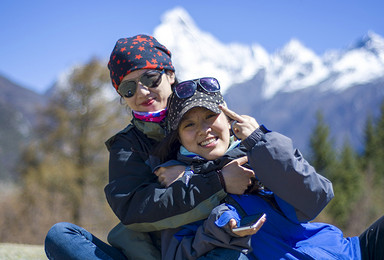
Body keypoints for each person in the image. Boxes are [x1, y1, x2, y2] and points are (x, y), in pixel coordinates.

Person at [45, 34, 254, 260]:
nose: (142, 92)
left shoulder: (204, 107)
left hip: (206, 248)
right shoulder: (126, 145)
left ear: (170, 74)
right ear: (122, 96)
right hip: (146, 255)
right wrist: (214, 180)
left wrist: (256, 140)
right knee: (61, 235)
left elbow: (249, 168)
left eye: (150, 78)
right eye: (128, 88)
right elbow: (134, 211)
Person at [154, 77, 384, 259]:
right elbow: (179, 253)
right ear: (179, 139)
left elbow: (316, 197)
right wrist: (224, 227)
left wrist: (259, 142)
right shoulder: (179, 185)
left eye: (210, 116)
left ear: (228, 119)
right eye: (190, 125)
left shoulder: (258, 154)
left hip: (352, 250)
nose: (204, 129)